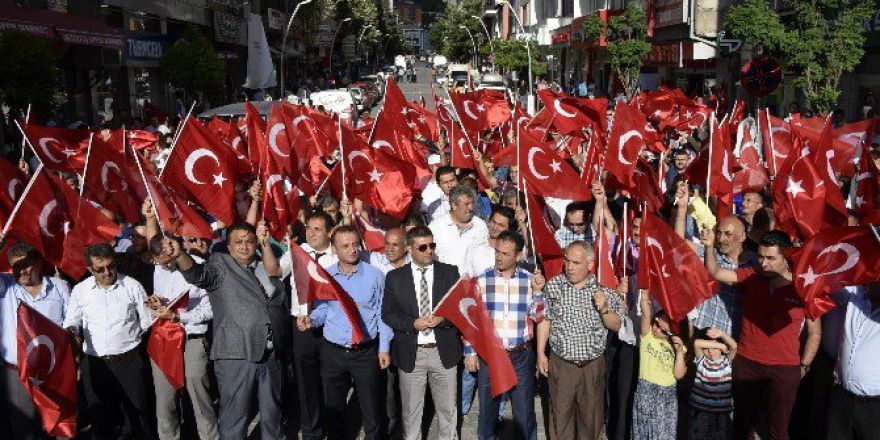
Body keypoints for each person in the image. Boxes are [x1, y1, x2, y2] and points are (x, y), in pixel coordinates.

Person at [168, 222, 290, 440]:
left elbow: (279, 305)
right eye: (238, 242)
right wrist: (180, 256)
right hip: (236, 355)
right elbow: (198, 274)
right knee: (235, 420)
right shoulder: (221, 265)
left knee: (273, 418)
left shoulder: (266, 267)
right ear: (229, 246)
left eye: (249, 241)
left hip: (271, 356)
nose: (244, 246)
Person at [702, 230, 821, 440]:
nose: (763, 263)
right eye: (760, 257)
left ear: (787, 258)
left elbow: (814, 334)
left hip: (785, 369)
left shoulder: (804, 288)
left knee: (779, 430)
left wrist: (803, 366)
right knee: (742, 426)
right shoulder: (751, 276)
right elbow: (716, 272)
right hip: (748, 364)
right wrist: (709, 246)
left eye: (771, 258)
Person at [298, 225, 392, 440]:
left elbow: (382, 314)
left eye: (355, 244)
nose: (352, 250)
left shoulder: (375, 276)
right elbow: (323, 310)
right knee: (335, 411)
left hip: (366, 352)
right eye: (346, 246)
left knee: (371, 411)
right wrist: (311, 320)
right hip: (334, 353)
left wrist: (384, 348)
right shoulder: (326, 278)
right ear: (334, 249)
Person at [64, 243, 157, 440]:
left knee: (139, 414)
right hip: (95, 363)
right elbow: (72, 320)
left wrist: (158, 310)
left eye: (111, 266)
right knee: (101, 418)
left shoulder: (132, 285)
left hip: (129, 361)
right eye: (100, 269)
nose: (107, 272)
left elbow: (147, 322)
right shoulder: (81, 290)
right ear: (90, 269)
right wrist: (72, 331)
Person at [536, 240, 624, 440]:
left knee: (590, 423)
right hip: (562, 365)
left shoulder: (604, 290)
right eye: (567, 261)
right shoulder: (554, 286)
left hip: (591, 367)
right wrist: (541, 352)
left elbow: (616, 325)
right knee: (560, 421)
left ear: (590, 265)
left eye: (576, 262)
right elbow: (545, 319)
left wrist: (604, 308)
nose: (570, 267)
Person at [382, 226, 462, 440]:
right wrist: (412, 323)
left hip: (443, 351)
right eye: (423, 247)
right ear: (409, 249)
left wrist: (444, 319)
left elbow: (460, 308)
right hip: (411, 353)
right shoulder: (394, 277)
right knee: (411, 414)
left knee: (448, 412)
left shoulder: (450, 272)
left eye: (432, 245)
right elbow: (388, 314)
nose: (429, 251)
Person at [465, 231, 542, 440]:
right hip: (491, 356)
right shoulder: (481, 281)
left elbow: (539, 315)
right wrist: (470, 352)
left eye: (505, 253)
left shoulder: (529, 280)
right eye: (497, 251)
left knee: (524, 413)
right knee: (488, 414)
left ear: (518, 256)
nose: (499, 257)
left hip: (521, 355)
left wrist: (538, 292)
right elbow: (472, 321)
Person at [146, 236, 220, 440]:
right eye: (160, 261)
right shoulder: (158, 268)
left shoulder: (201, 267)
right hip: (163, 339)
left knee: (200, 397)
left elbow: (211, 310)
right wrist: (154, 303)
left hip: (192, 338)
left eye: (168, 260)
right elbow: (161, 300)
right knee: (165, 401)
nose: (165, 265)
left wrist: (179, 317)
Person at [0, 244, 70, 440]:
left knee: (61, 426)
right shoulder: (5, 287)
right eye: (15, 266)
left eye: (26, 264)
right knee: (24, 430)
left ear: (38, 263)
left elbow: (72, 324)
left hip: (55, 373)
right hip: (17, 374)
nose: (21, 271)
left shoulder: (59, 287)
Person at [280, 210, 337, 440]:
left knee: (331, 381)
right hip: (301, 326)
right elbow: (275, 271)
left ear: (330, 232)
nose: (311, 234)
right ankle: (311, 431)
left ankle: (334, 428)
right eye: (309, 228)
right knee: (306, 382)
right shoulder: (298, 251)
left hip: (330, 327)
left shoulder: (336, 255)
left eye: (318, 229)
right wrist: (267, 244)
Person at [675, 185, 756, 339]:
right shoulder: (711, 251)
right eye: (719, 233)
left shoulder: (754, 263)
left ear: (742, 237)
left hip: (731, 336)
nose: (721, 238)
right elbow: (679, 245)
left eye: (728, 234)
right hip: (702, 330)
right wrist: (682, 208)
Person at [826, 282, 880, 438]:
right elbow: (824, 282)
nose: (873, 282)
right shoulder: (855, 296)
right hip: (842, 399)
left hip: (874, 408)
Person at [631, 291, 687, 440]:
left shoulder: (677, 346)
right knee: (643, 433)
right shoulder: (647, 336)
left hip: (667, 395)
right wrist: (645, 292)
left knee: (664, 435)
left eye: (664, 330)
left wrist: (680, 351)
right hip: (646, 391)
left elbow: (679, 375)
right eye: (656, 324)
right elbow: (645, 312)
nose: (657, 329)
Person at [688, 327, 736, 440]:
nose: (710, 351)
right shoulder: (701, 360)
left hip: (720, 413)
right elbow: (696, 343)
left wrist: (722, 334)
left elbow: (734, 346)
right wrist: (720, 346)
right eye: (707, 348)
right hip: (699, 410)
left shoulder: (727, 361)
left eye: (714, 347)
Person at [429, 185, 489, 271]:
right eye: (466, 204)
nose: (471, 208)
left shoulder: (480, 226)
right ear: (454, 205)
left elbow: (484, 256)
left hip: (471, 282)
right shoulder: (436, 227)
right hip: (445, 282)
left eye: (472, 203)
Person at [460, 205, 518, 277]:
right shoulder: (475, 245)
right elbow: (465, 274)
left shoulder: (512, 255)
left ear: (509, 229)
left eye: (501, 225)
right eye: (494, 222)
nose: (495, 227)